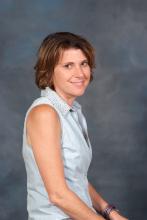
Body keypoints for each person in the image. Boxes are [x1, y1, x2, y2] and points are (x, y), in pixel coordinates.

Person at [22, 32, 128, 220]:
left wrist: (109, 211)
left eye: (84, 64)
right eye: (68, 66)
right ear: (48, 71)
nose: (80, 74)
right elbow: (58, 195)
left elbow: (76, 178)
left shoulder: (72, 112)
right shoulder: (45, 113)